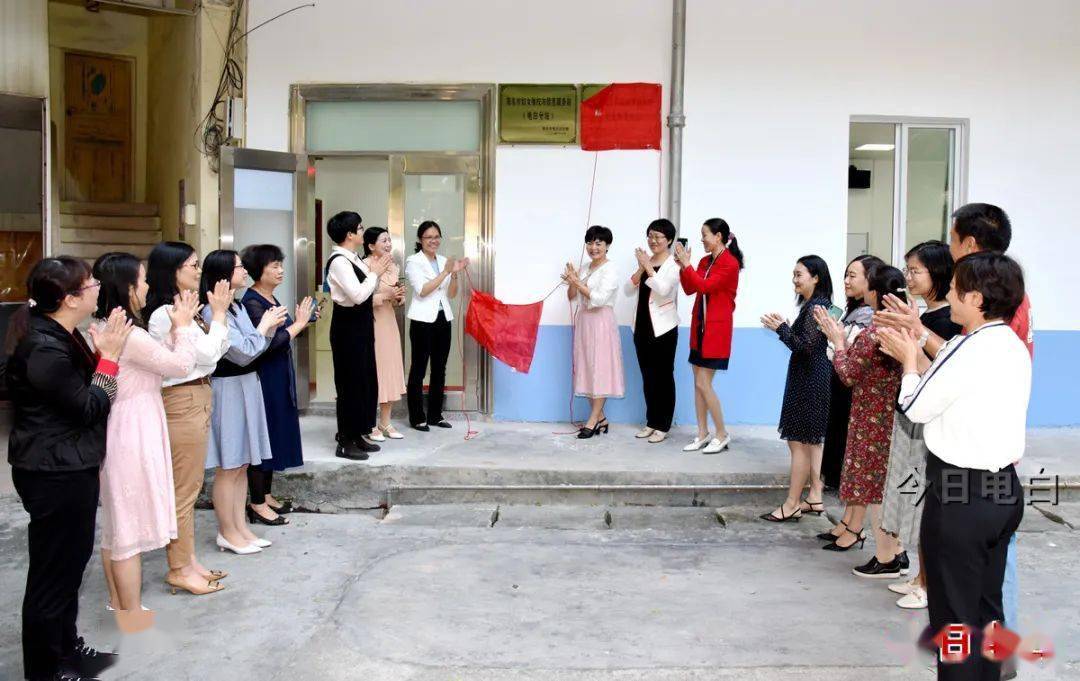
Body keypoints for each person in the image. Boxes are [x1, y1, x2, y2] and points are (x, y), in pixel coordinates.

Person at [875, 203, 1029, 675]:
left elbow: (918, 407)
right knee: (985, 610)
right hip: (1001, 491)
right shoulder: (1002, 341)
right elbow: (952, 367)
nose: (952, 296)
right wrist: (919, 332)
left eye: (958, 290)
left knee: (955, 623)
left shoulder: (973, 348)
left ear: (978, 299)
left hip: (962, 496)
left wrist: (906, 360)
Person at [6, 256, 130, 681]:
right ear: (68, 298)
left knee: (70, 566)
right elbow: (90, 407)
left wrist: (100, 355)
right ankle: (46, 668)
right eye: (90, 282)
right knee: (52, 574)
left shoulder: (61, 333)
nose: (97, 286)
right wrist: (109, 359)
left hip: (69, 465)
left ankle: (66, 650)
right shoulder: (43, 347)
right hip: (53, 470)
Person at [91, 253, 200, 616]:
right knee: (126, 532)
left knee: (116, 526)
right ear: (128, 287)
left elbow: (158, 365)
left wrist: (173, 333)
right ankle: (131, 615)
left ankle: (117, 604)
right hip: (133, 429)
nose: (149, 285)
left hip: (126, 422)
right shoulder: (130, 335)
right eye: (142, 279)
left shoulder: (110, 326)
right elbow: (181, 366)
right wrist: (183, 326)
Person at [146, 241, 233, 596]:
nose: (199, 272)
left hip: (197, 394)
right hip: (182, 400)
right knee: (184, 490)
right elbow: (211, 351)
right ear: (173, 271)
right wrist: (221, 317)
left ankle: (189, 560)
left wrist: (214, 331)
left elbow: (212, 356)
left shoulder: (184, 309)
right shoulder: (164, 314)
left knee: (192, 485)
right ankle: (179, 568)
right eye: (192, 266)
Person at [879, 241, 962, 610]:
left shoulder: (945, 322)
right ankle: (920, 576)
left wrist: (911, 339)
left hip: (928, 422)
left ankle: (929, 584)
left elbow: (939, 372)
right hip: (910, 414)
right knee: (913, 499)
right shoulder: (927, 315)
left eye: (916, 271)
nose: (908, 277)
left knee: (926, 503)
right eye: (907, 270)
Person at [813, 266, 906, 565]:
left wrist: (838, 341)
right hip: (887, 416)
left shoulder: (875, 331)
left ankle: (887, 557)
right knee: (876, 485)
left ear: (876, 293)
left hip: (871, 419)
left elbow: (848, 373)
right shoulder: (901, 329)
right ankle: (896, 552)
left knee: (874, 488)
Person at [201, 250, 287, 555]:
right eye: (238, 267)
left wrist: (263, 330)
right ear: (223, 273)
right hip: (229, 387)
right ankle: (228, 531)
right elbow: (244, 353)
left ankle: (240, 529)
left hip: (246, 384)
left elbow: (255, 346)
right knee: (230, 465)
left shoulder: (234, 306)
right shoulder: (213, 311)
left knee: (242, 464)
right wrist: (264, 326)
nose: (244, 272)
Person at [240, 244, 316, 525]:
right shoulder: (252, 302)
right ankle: (257, 502)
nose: (280, 270)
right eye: (274, 266)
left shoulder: (267, 298)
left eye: (280, 265)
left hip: (277, 374)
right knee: (263, 436)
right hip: (264, 376)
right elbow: (271, 343)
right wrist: (299, 323)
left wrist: (301, 321)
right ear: (257, 271)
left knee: (273, 435)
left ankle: (267, 494)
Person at [759, 255, 833, 522]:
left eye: (799, 274)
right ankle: (814, 496)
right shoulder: (816, 305)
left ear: (816, 277)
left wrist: (781, 329)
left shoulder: (817, 307)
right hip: (810, 377)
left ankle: (792, 504)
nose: (795, 279)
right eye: (794, 274)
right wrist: (786, 328)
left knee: (799, 443)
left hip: (810, 379)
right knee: (810, 442)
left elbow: (804, 346)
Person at [818, 254, 883, 541]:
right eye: (846, 275)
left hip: (857, 394)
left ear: (872, 281)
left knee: (858, 466)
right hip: (846, 390)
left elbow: (850, 356)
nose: (846, 281)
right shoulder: (855, 312)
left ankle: (855, 528)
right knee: (849, 462)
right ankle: (847, 522)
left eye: (853, 275)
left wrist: (836, 339)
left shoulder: (870, 318)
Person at [326, 211, 392, 457]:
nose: (363, 231)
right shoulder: (339, 262)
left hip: (361, 324)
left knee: (363, 381)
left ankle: (357, 434)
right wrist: (375, 273)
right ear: (349, 234)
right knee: (348, 385)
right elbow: (358, 295)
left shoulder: (352, 258)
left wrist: (375, 273)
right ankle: (345, 441)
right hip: (347, 327)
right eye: (360, 228)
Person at [675, 217, 743, 454]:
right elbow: (690, 288)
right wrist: (685, 266)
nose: (702, 239)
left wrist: (687, 265)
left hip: (716, 330)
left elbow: (706, 287)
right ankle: (702, 433)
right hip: (700, 328)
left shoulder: (729, 263)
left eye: (704, 234)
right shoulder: (706, 260)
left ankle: (722, 433)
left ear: (718, 237)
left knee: (704, 383)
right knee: (698, 384)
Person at [405, 220, 467, 431]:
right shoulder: (413, 261)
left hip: (443, 319)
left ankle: (435, 415)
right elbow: (423, 290)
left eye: (436, 236)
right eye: (429, 237)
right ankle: (416, 417)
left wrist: (455, 274)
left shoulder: (443, 260)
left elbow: (450, 294)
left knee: (440, 369)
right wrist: (445, 273)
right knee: (419, 369)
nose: (433, 241)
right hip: (422, 321)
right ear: (420, 240)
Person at [562, 225, 623, 438]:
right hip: (585, 322)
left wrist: (577, 282)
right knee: (586, 369)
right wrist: (572, 280)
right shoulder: (585, 267)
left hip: (601, 321)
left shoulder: (610, 269)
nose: (593, 247)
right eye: (590, 242)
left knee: (600, 370)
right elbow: (572, 296)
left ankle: (593, 420)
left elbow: (598, 298)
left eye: (598, 243)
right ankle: (602, 418)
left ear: (607, 246)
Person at [627, 219, 680, 444]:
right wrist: (642, 266)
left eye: (658, 237)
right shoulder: (645, 262)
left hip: (664, 328)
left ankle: (663, 424)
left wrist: (647, 267)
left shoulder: (674, 265)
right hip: (641, 326)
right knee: (648, 376)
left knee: (663, 377)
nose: (653, 240)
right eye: (650, 236)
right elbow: (628, 289)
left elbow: (663, 289)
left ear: (669, 240)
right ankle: (651, 421)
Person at [362, 227, 407, 441]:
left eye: (389, 240)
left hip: (388, 322)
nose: (388, 244)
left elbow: (395, 299)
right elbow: (359, 299)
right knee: (375, 373)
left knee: (389, 370)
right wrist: (384, 295)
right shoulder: (365, 265)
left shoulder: (394, 267)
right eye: (383, 241)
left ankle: (385, 422)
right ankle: (370, 424)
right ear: (371, 246)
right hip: (371, 323)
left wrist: (398, 297)